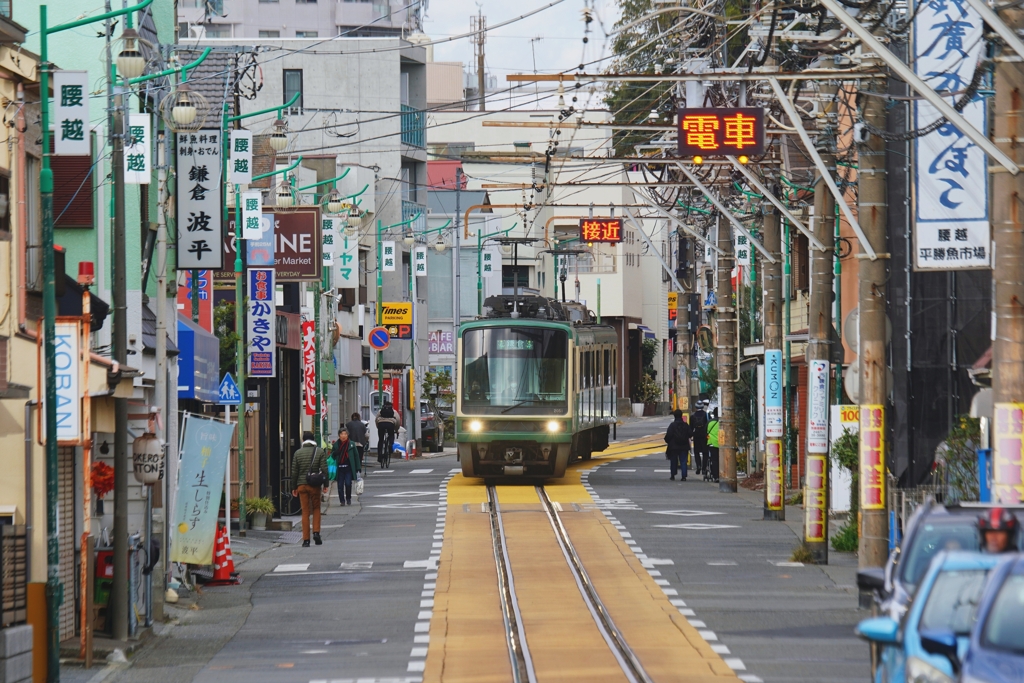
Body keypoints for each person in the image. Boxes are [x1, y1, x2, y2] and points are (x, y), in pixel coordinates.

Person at [291, 431, 328, 547]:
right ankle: (316, 532)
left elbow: (294, 472)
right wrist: (326, 484)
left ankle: (306, 540)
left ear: (303, 440)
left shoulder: (298, 453)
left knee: (305, 511)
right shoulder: (319, 452)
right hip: (314, 485)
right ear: (313, 440)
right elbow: (324, 469)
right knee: (316, 508)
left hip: (301, 485)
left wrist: (294, 487)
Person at [332, 427, 362, 505]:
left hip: (348, 468)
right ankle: (342, 500)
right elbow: (332, 457)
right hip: (339, 468)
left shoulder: (351, 444)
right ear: (339, 435)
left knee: (348, 484)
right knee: (340, 485)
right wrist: (335, 453)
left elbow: (356, 456)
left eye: (345, 434)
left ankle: (348, 498)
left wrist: (358, 467)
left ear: (347, 435)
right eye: (342, 434)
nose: (343, 436)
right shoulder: (336, 445)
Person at [664, 409, 693, 481]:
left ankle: (673, 475)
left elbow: (669, 435)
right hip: (684, 446)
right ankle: (684, 476)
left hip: (673, 446)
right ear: (681, 415)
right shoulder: (685, 425)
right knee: (683, 461)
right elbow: (690, 434)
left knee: (673, 460)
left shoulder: (672, 425)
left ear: (674, 416)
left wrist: (667, 441)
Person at [376, 400, 398, 467]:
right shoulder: (394, 411)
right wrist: (396, 430)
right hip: (390, 424)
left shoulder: (380, 411)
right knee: (391, 435)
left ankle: (379, 456)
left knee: (381, 440)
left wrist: (378, 427)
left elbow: (376, 419)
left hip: (381, 424)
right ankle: (390, 445)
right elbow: (398, 421)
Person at [690, 401, 709, 476]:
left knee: (696, 452)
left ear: (696, 407)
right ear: (702, 406)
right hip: (704, 436)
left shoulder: (693, 416)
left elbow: (691, 428)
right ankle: (704, 468)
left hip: (696, 436)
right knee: (705, 452)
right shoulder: (706, 415)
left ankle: (698, 466)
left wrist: (691, 436)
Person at [706, 410, 720, 483]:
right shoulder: (723, 422)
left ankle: (716, 476)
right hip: (722, 444)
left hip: (712, 443)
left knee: (714, 460)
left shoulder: (710, 422)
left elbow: (705, 432)